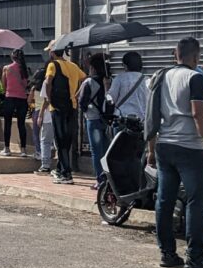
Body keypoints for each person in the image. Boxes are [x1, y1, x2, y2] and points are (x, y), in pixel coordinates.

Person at [148, 37, 203, 268]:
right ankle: (195, 256)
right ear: (195, 56)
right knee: (196, 200)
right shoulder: (196, 77)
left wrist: (151, 149)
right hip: (188, 147)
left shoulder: (160, 76)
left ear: (175, 54)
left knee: (164, 200)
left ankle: (167, 253)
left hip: (164, 145)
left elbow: (150, 115)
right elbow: (198, 114)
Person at [44, 42, 86, 185]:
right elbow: (84, 78)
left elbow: (48, 82)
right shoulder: (73, 66)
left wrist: (50, 99)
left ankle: (66, 173)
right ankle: (61, 168)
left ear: (53, 52)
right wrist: (76, 95)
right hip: (72, 107)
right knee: (66, 140)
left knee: (60, 139)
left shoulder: (52, 65)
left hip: (57, 107)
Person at [78, 53, 110, 189]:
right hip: (107, 120)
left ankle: (100, 179)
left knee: (96, 151)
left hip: (92, 119)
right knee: (106, 150)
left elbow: (82, 103)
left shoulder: (89, 82)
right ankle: (109, 178)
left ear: (93, 67)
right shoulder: (109, 80)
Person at [0, 49, 30, 157]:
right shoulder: (25, 69)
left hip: (10, 97)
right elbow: (26, 84)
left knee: (7, 123)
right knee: (21, 124)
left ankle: (7, 148)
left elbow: (3, 83)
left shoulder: (7, 68)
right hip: (22, 98)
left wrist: (6, 91)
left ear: (12, 56)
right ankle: (23, 150)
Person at [107, 51, 150, 121]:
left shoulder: (119, 79)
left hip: (122, 119)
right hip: (141, 120)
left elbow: (110, 100)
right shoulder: (148, 80)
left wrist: (106, 87)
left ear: (125, 65)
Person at [33, 70, 55, 174]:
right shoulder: (64, 79)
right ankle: (61, 166)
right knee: (58, 142)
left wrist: (40, 115)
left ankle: (45, 166)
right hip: (60, 115)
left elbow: (46, 100)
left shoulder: (47, 82)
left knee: (45, 141)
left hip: (48, 116)